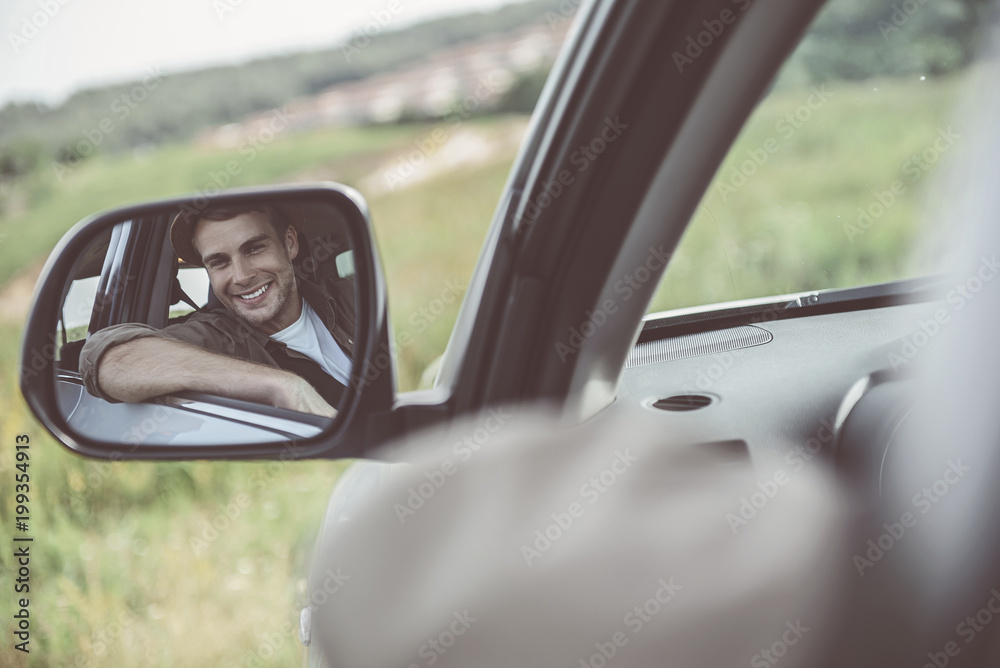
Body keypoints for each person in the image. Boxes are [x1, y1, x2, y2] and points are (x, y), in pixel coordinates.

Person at [79, 204, 355, 418]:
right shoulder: (215, 339)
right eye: (219, 262)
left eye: (255, 248)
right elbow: (107, 359)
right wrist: (281, 386)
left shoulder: (351, 296)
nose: (242, 276)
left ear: (290, 243)